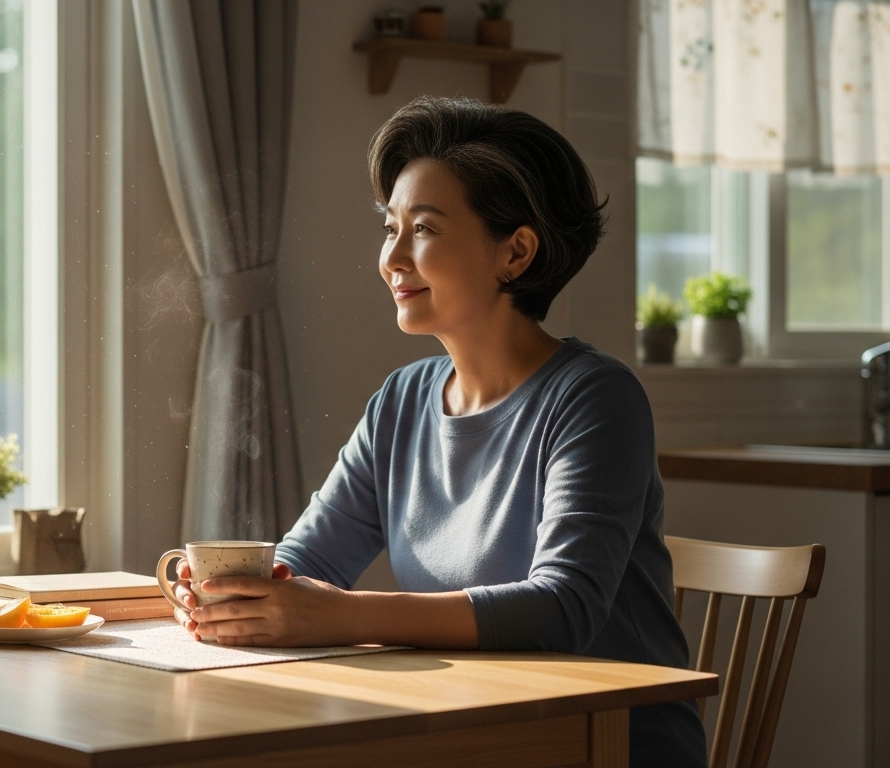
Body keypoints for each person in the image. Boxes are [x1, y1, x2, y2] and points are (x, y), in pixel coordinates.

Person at [171, 96, 706, 766]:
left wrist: (340, 614)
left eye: (422, 229)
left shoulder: (596, 397)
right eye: (389, 228)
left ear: (516, 252)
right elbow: (306, 565)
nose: (392, 258)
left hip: (603, 745)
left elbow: (562, 608)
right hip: (467, 733)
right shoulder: (401, 402)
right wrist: (242, 599)